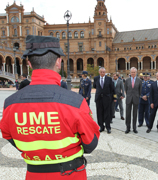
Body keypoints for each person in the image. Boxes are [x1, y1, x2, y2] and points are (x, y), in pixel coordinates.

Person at [0, 35, 100, 180]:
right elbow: (91, 144)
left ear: (29, 63)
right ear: (59, 62)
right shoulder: (75, 102)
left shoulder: (10, 103)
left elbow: (8, 134)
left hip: (34, 174)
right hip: (71, 174)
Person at [93, 67, 116, 134]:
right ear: (99, 72)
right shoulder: (96, 78)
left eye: (103, 72)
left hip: (107, 99)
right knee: (99, 113)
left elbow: (113, 88)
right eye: (101, 72)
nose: (102, 73)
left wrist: (115, 98)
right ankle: (101, 126)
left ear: (105, 72)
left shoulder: (109, 79)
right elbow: (94, 86)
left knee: (107, 113)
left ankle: (108, 127)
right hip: (99, 98)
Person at [124, 67, 142, 134]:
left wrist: (137, 96)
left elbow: (140, 90)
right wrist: (128, 95)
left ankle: (134, 128)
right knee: (128, 114)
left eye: (134, 72)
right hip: (128, 99)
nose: (133, 73)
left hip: (136, 99)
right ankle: (128, 128)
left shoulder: (139, 80)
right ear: (130, 73)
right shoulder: (127, 80)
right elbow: (126, 89)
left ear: (136, 73)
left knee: (135, 114)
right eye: (132, 72)